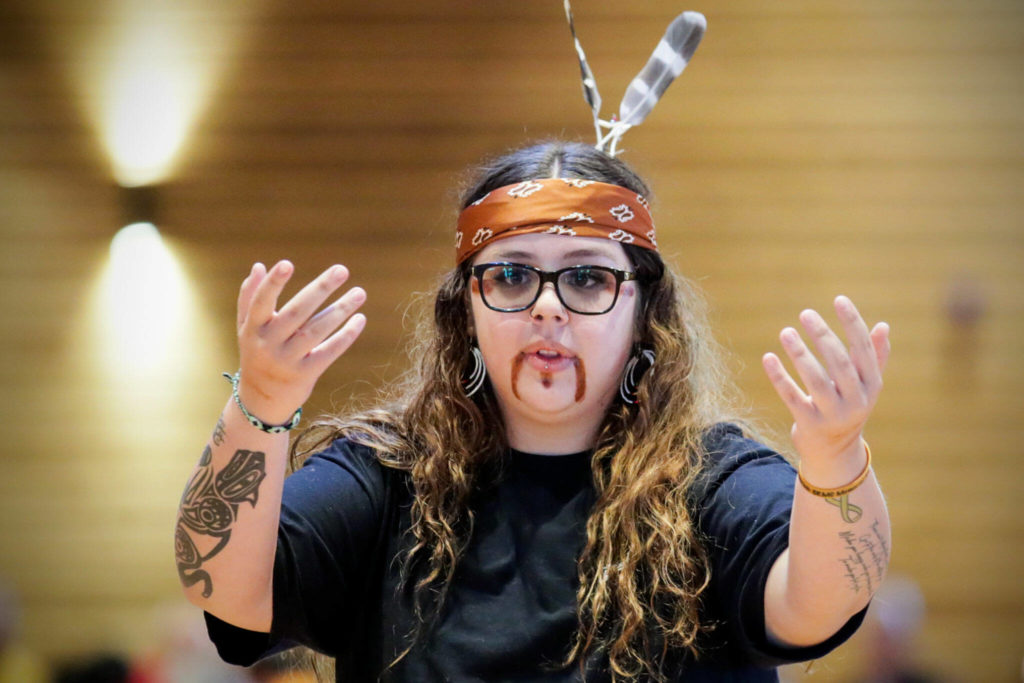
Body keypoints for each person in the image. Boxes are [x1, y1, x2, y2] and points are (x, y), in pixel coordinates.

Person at [176, 141, 892, 682]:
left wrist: (836, 458)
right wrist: (261, 407)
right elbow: (227, 589)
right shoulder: (386, 475)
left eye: (587, 277)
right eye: (512, 275)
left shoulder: (712, 479)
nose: (548, 306)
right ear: (467, 311)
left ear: (643, 312)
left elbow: (816, 606)